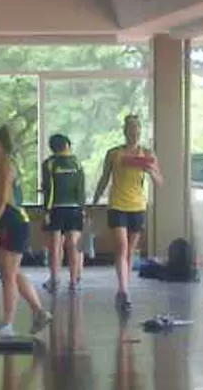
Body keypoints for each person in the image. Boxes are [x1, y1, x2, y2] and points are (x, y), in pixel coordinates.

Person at [0, 126, 52, 337]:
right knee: (12, 272)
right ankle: (38, 311)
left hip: (14, 222)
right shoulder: (4, 165)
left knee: (7, 275)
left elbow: (1, 201)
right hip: (12, 223)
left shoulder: (5, 167)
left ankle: (8, 324)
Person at [93, 115, 163, 313]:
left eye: (137, 129)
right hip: (117, 205)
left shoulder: (147, 154)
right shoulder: (114, 153)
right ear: (125, 131)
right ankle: (123, 290)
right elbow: (104, 178)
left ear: (140, 131)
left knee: (130, 250)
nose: (134, 132)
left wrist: (151, 170)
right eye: (130, 128)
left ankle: (125, 287)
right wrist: (96, 200)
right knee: (121, 247)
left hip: (137, 206)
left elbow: (159, 182)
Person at [41, 134, 86, 293]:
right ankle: (73, 281)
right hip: (74, 208)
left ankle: (55, 279)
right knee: (73, 245)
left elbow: (48, 189)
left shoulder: (49, 163)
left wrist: (46, 209)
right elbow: (81, 188)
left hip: (57, 208)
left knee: (55, 245)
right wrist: (82, 208)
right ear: (67, 145)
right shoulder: (76, 163)